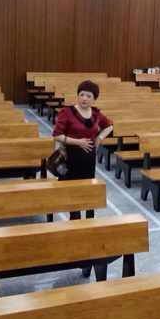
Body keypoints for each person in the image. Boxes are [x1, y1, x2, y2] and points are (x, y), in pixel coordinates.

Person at [53, 80, 113, 219]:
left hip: (89, 159)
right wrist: (78, 142)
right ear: (78, 95)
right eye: (81, 95)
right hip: (71, 158)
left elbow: (109, 126)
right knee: (74, 191)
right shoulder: (67, 112)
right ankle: (75, 219)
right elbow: (57, 135)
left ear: (94, 99)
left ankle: (90, 220)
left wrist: (99, 138)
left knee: (89, 189)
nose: (84, 98)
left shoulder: (96, 114)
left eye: (88, 96)